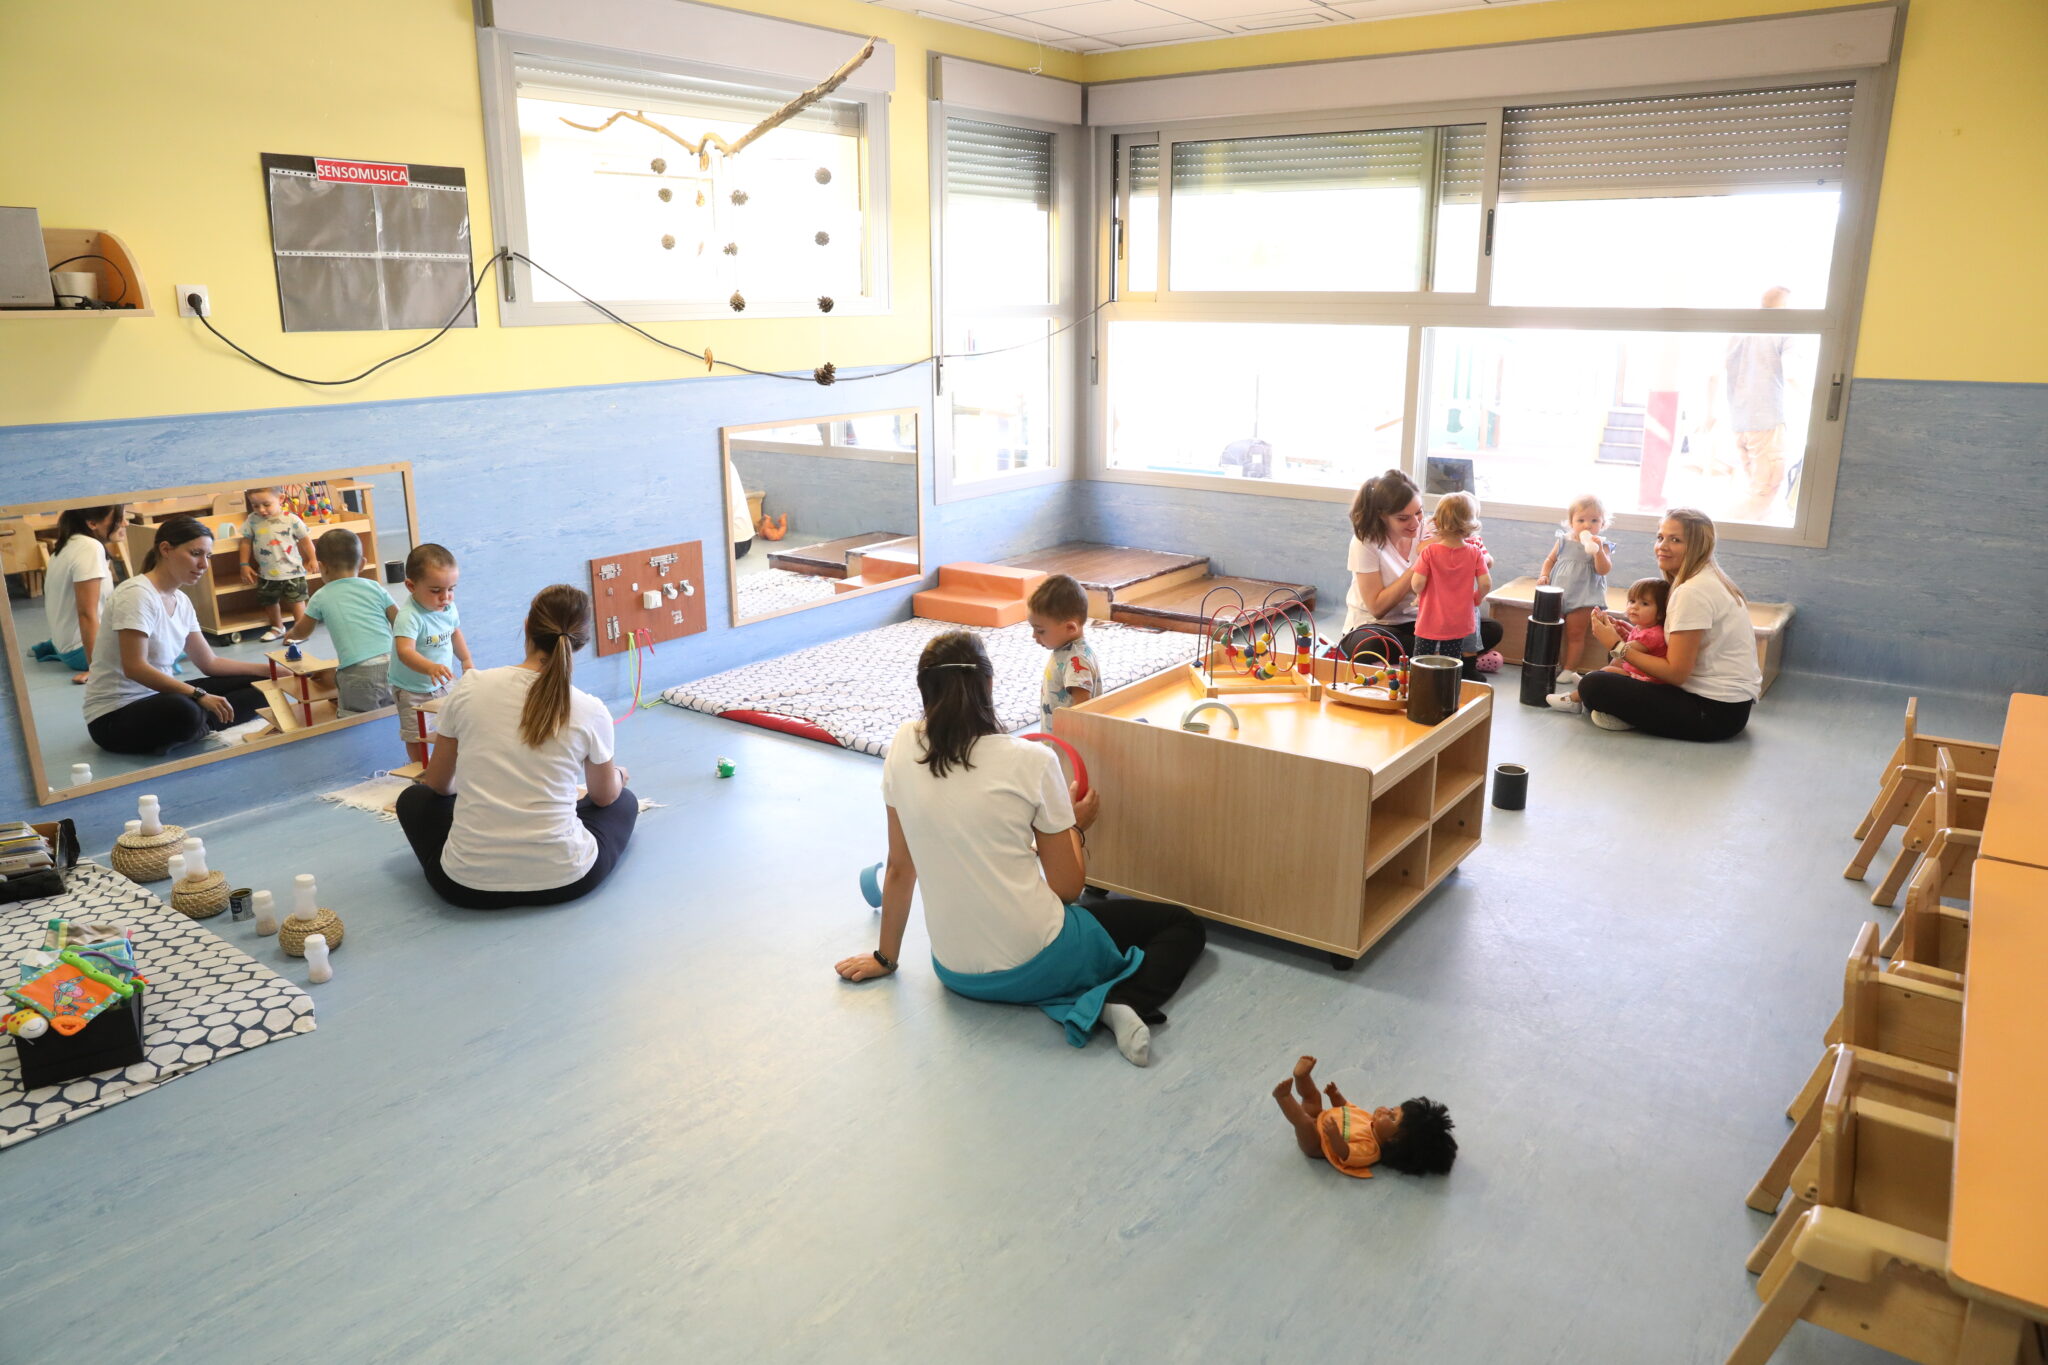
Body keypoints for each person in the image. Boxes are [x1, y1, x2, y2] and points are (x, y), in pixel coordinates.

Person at [835, 631, 1207, 1068]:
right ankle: (1119, 1001)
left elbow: (900, 867)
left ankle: (1088, 999)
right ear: (989, 685)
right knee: (1183, 925)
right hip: (1041, 961)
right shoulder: (1033, 760)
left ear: (924, 690)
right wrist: (1075, 826)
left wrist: (885, 958)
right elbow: (1067, 888)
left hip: (957, 973)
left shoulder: (901, 745)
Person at [394, 584, 637, 909]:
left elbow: (438, 784)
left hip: (465, 886)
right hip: (566, 880)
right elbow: (604, 796)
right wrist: (619, 775)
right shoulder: (590, 709)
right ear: (581, 641)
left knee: (414, 799)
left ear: (527, 626)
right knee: (625, 801)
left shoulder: (470, 687)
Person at [81, 516, 268, 755]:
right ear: (166, 549)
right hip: (114, 716)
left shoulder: (181, 600)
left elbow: (209, 662)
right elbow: (135, 668)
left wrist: (270, 670)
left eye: (208, 556)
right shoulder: (136, 594)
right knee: (185, 710)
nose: (204, 565)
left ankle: (198, 727)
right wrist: (199, 695)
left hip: (160, 697)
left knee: (263, 686)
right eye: (196, 554)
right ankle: (199, 724)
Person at [1578, 509, 1763, 740]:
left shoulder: (1692, 592)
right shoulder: (1705, 579)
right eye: (1660, 537)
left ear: (1697, 547)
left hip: (1714, 713)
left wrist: (1617, 645)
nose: (1662, 546)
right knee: (1620, 659)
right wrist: (1631, 636)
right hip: (1729, 707)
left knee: (1593, 685)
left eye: (1675, 540)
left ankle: (1627, 716)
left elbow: (1676, 674)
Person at [1338, 469, 1504, 665]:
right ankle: (1454, 657)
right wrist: (1423, 561)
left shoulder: (1431, 528)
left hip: (1424, 620)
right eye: (1403, 518)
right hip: (1376, 625)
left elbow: (1480, 555)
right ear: (1382, 516)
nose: (1415, 523)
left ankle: (1429, 657)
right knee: (1371, 645)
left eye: (1419, 512)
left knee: (1491, 629)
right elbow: (1377, 608)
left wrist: (1476, 559)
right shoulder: (1365, 542)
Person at [1271, 1055, 1457, 1178]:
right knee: (1313, 1097)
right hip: (1321, 1117)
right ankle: (1302, 1077)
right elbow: (1348, 1109)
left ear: (1394, 1140)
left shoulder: (1370, 1150)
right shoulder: (1369, 1120)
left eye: (1392, 1117)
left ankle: (1284, 1098)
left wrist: (1335, 1137)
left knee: (1303, 1123)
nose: (1385, 1110)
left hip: (1317, 1143)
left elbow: (1345, 1153)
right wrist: (1336, 1097)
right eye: (1392, 1109)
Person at [1706, 286, 1799, 523]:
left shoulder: (1739, 332)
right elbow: (1792, 374)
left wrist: (1709, 413)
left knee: (1753, 488)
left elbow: (1713, 374)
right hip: (1767, 421)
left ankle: (1728, 529)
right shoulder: (1783, 333)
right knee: (1764, 492)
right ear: (1785, 307)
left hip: (1739, 422)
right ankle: (1722, 532)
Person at [285, 529, 396, 715]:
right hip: (394, 663)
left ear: (322, 567)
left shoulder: (321, 596)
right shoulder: (375, 587)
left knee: (355, 719)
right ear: (362, 564)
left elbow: (303, 631)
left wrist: (291, 634)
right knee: (392, 712)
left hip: (359, 671)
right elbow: (399, 621)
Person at [388, 543, 473, 766]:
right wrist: (429, 667)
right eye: (436, 591)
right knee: (416, 735)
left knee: (455, 722)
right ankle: (422, 768)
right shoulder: (409, 616)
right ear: (411, 586)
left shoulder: (448, 608)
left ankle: (450, 764)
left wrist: (466, 660)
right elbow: (405, 651)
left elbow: (454, 633)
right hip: (411, 688)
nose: (445, 597)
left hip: (444, 680)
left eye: (451, 589)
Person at [1547, 577, 1669, 716]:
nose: (1634, 607)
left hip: (1645, 681)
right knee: (1612, 666)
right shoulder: (1643, 628)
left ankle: (1573, 700)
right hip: (1636, 672)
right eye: (1632, 601)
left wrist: (1609, 634)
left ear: (1660, 613)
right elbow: (1633, 644)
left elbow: (1625, 650)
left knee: (1609, 669)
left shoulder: (1653, 634)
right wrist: (1623, 633)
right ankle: (1588, 685)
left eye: (1644, 603)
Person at [32, 503, 125, 682]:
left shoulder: (70, 544)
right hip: (80, 651)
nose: (125, 523)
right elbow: (86, 613)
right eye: (119, 519)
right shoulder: (89, 547)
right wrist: (96, 666)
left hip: (67, 646)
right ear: (92, 523)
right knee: (167, 643)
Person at [1410, 493, 1492, 681]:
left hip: (1429, 618)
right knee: (1452, 660)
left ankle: (1420, 684)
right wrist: (1477, 597)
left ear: (1437, 522)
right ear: (1471, 523)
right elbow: (1486, 583)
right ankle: (1448, 686)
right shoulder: (1475, 552)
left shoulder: (1429, 552)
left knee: (1421, 659)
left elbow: (1417, 583)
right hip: (1459, 620)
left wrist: (1419, 595)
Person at [1535, 493, 1615, 687]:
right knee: (1552, 631)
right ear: (1571, 522)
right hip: (1558, 594)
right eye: (1581, 520)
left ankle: (1570, 668)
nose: (1587, 525)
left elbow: (1603, 570)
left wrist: (1597, 551)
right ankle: (1549, 663)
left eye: (1594, 520)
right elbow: (1550, 560)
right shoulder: (1563, 540)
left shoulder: (1602, 545)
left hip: (1584, 596)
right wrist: (1544, 575)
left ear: (1603, 523)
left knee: (1575, 634)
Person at [239, 487, 316, 642]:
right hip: (266, 572)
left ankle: (300, 630)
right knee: (269, 601)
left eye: (266, 504)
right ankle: (277, 627)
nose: (261, 510)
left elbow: (306, 541)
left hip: (293, 571)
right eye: (255, 506)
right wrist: (244, 564)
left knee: (297, 600)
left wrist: (313, 558)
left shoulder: (291, 519)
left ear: (281, 499)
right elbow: (246, 542)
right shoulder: (252, 520)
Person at [1028, 573, 1096, 729]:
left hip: (1067, 740)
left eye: (1040, 630)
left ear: (1070, 628)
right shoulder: (1065, 650)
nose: (1034, 636)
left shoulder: (1076, 659)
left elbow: (1082, 707)